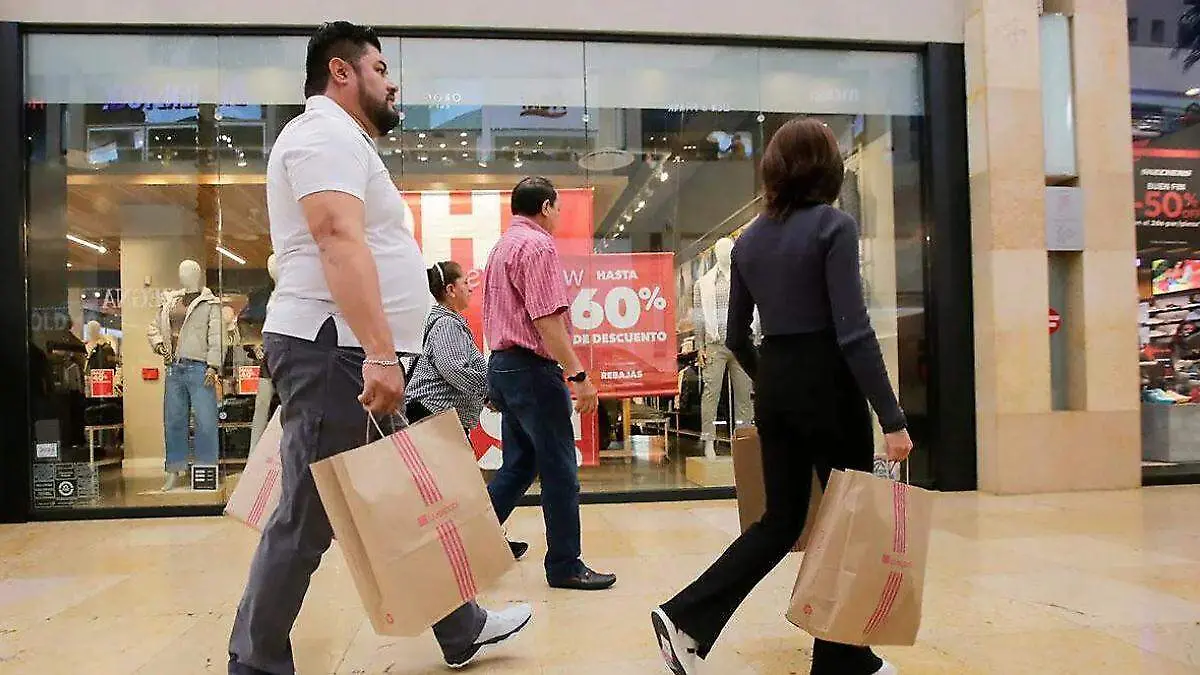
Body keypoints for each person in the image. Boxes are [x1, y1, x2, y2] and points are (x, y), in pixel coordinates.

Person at [227, 22, 531, 675]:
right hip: (335, 350)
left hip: (346, 351)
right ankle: (254, 660)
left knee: (402, 496)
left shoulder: (342, 141)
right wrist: (379, 354)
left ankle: (462, 627)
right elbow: (337, 238)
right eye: (380, 68)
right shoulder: (321, 134)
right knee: (307, 516)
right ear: (341, 71)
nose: (393, 83)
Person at [650, 117, 914, 675]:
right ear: (827, 168)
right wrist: (892, 419)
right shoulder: (834, 227)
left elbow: (735, 335)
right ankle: (842, 662)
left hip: (777, 385)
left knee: (781, 520)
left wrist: (769, 377)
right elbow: (854, 332)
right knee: (846, 521)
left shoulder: (748, 241)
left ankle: (686, 617)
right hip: (830, 384)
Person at [481, 176, 616, 591]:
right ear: (545, 207)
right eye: (557, 208)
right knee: (559, 470)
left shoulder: (501, 247)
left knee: (519, 465)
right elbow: (547, 320)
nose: (558, 216)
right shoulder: (537, 246)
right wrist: (579, 376)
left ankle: (467, 546)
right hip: (533, 371)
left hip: (504, 366)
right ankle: (564, 565)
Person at [404, 260, 529, 561]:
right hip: (435, 418)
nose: (470, 287)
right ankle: (481, 546)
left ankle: (483, 544)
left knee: (458, 491)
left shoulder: (445, 321)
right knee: (461, 489)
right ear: (450, 289)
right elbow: (453, 368)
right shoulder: (447, 324)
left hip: (436, 418)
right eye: (464, 283)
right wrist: (490, 391)